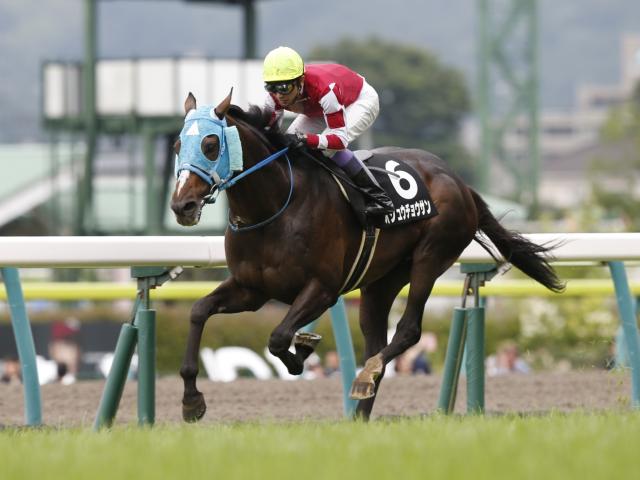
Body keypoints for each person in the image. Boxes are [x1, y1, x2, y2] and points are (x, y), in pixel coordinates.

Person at [262, 46, 394, 217]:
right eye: (272, 87)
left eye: (285, 87)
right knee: (289, 149)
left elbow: (339, 140)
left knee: (327, 148)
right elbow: (267, 134)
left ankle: (378, 196)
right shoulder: (274, 97)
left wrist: (308, 139)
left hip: (358, 101)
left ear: (300, 80)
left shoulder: (325, 89)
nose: (279, 95)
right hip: (319, 109)